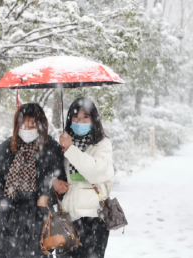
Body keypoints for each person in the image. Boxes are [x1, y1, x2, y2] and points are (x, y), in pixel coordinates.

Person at [0, 103, 64, 258]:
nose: (27, 129)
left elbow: (61, 184)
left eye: (33, 125)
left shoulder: (52, 149)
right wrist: (1, 199)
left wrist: (47, 196)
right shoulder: (8, 148)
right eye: (23, 124)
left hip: (39, 216)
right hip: (10, 217)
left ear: (41, 125)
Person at [52, 97, 114, 258]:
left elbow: (94, 171)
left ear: (93, 119)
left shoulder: (102, 144)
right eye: (76, 118)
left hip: (94, 218)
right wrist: (53, 182)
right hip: (68, 217)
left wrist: (70, 149)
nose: (80, 121)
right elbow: (52, 172)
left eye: (85, 117)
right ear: (70, 119)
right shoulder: (64, 144)